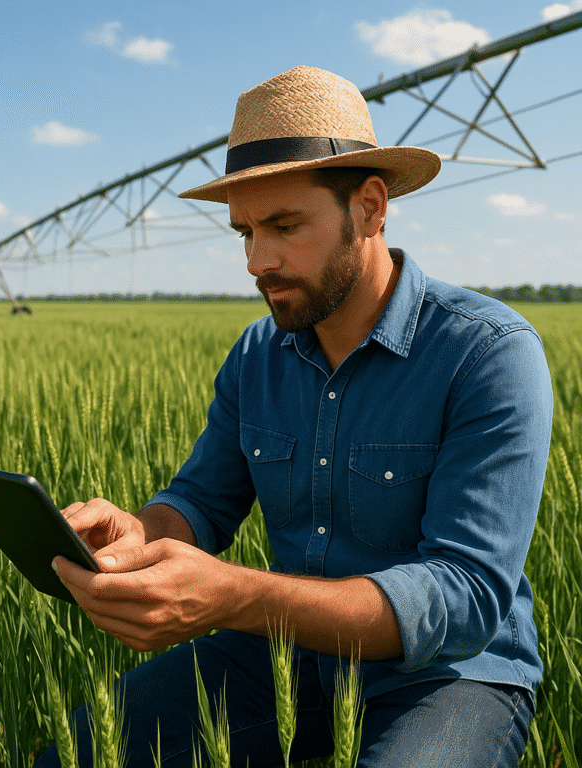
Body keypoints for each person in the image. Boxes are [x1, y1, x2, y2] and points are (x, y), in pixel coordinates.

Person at [35, 66, 553, 768]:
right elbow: (201, 501)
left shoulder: (487, 353)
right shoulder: (257, 352)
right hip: (283, 657)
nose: (258, 260)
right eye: (244, 231)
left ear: (370, 207)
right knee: (79, 752)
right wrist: (139, 533)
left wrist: (232, 597)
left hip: (450, 677)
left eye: (284, 226)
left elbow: (460, 599)